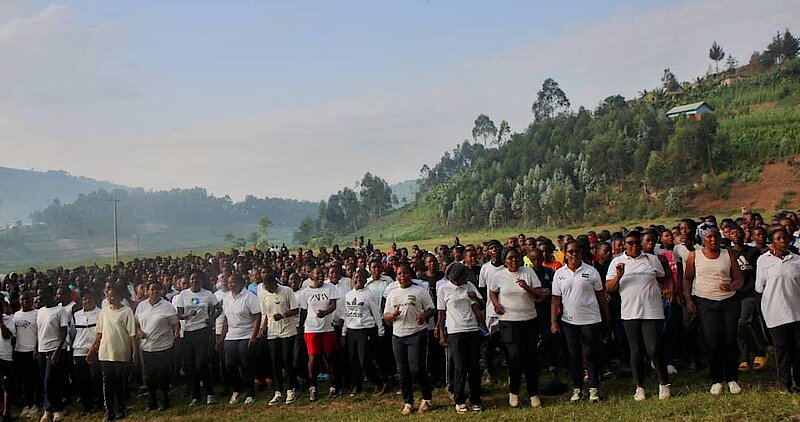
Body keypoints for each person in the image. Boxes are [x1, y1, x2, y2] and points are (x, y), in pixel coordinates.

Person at [605, 230, 671, 401]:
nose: (634, 245)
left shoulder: (651, 259)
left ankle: (664, 383)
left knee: (654, 349)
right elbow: (609, 288)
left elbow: (663, 277)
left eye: (636, 242)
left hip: (652, 311)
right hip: (630, 312)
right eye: (630, 243)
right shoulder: (617, 262)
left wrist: (667, 289)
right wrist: (619, 275)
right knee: (636, 351)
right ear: (624, 245)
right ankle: (639, 386)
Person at [684, 228, 744, 395]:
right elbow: (687, 279)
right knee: (712, 341)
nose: (713, 240)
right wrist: (688, 299)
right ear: (703, 239)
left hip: (728, 301)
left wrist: (731, 286)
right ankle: (717, 379)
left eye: (716, 236)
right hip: (706, 302)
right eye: (709, 237)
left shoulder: (728, 254)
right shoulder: (695, 256)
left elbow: (739, 279)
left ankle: (732, 379)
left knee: (730, 340)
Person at [489, 248, 549, 408]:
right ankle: (514, 392)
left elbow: (539, 294)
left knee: (531, 357)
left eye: (516, 257)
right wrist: (496, 304)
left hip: (529, 320)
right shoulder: (498, 275)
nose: (514, 260)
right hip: (509, 322)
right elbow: (492, 292)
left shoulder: (528, 272)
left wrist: (526, 287)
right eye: (510, 258)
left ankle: (533, 393)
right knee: (514, 357)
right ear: (504, 261)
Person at [551, 240, 609, 403]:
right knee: (574, 355)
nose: (574, 254)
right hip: (569, 322)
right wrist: (553, 321)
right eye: (570, 251)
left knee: (590, 354)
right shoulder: (559, 274)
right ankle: (577, 389)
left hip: (590, 320)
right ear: (565, 254)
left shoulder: (591, 271)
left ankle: (593, 389)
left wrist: (607, 317)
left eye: (577, 251)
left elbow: (601, 296)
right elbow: (555, 300)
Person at [384, 263, 435, 415]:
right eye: (399, 274)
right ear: (396, 276)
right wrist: (392, 316)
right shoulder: (392, 293)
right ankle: (408, 401)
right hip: (398, 335)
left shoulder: (420, 291)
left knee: (417, 368)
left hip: (417, 333)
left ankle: (426, 397)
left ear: (411, 274)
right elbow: (385, 316)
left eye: (405, 273)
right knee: (402, 371)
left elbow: (431, 309)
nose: (403, 276)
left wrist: (423, 316)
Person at [756, 227, 800, 392]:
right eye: (779, 239)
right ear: (771, 242)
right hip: (775, 312)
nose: (783, 241)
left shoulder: (796, 260)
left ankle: (798, 382)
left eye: (785, 238)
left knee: (797, 349)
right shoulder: (763, 260)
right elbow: (759, 287)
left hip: (796, 312)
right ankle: (784, 384)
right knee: (782, 349)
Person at [437, 262, 484, 414]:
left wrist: (475, 298)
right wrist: (441, 334)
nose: (465, 280)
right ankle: (459, 400)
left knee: (474, 367)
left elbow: (482, 304)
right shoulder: (443, 289)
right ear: (455, 278)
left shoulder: (469, 286)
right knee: (460, 367)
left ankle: (475, 399)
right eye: (463, 277)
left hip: (472, 329)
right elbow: (441, 313)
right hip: (455, 331)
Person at [87, 283, 138, 421]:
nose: (110, 299)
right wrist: (92, 349)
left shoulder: (127, 311)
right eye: (108, 296)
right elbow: (99, 332)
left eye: (113, 296)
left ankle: (121, 407)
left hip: (121, 352)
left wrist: (134, 352)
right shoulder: (104, 312)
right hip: (105, 352)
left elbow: (132, 334)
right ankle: (109, 410)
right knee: (107, 382)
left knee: (119, 381)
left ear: (120, 297)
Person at [174, 270, 221, 406]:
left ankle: (210, 393)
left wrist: (212, 319)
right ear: (189, 281)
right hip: (188, 333)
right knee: (191, 365)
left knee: (202, 363)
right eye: (192, 279)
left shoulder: (208, 294)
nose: (194, 281)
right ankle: (196, 396)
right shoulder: (183, 295)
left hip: (203, 331)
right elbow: (179, 315)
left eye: (197, 279)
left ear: (201, 280)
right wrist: (187, 315)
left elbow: (219, 308)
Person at [216, 273, 261, 405]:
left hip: (246, 334)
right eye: (229, 282)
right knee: (230, 364)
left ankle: (250, 391)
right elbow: (226, 320)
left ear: (241, 283)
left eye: (234, 282)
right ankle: (237, 389)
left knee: (246, 364)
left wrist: (254, 335)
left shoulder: (249, 296)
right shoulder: (227, 299)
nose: (231, 285)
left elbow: (257, 317)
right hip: (231, 335)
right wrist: (221, 339)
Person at [296, 267, 340, 401]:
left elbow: (333, 305)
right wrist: (301, 327)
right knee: (313, 358)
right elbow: (304, 311)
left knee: (329, 357)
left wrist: (325, 313)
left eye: (322, 273)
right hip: (311, 328)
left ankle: (334, 385)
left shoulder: (330, 288)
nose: (321, 276)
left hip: (327, 328)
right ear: (311, 276)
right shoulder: (305, 292)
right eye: (318, 274)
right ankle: (313, 386)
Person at [135, 282, 180, 411]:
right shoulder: (141, 306)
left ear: (161, 291)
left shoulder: (167, 306)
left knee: (162, 375)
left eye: (157, 290)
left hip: (163, 346)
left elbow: (175, 323)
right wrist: (139, 331)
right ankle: (152, 401)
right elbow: (136, 323)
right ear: (147, 291)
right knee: (149, 376)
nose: (154, 292)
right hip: (146, 347)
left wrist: (176, 333)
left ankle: (164, 399)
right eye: (151, 289)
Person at [342, 269, 387, 396]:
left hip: (365, 330)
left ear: (365, 280)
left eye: (361, 278)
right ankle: (358, 385)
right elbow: (347, 315)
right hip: (351, 330)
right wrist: (343, 333)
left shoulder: (368, 294)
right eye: (356, 277)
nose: (358, 280)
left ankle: (379, 383)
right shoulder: (348, 294)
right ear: (352, 279)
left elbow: (376, 313)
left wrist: (381, 330)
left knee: (364, 360)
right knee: (353, 360)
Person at [730, 225, 768, 371]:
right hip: (734, 294)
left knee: (744, 323)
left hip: (750, 293)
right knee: (738, 326)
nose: (736, 234)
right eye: (733, 233)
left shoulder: (753, 251)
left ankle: (760, 351)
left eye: (738, 232)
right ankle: (744, 357)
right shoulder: (727, 252)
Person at [258, 273, 299, 406]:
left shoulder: (287, 291)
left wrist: (283, 315)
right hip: (273, 332)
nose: (268, 289)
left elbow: (295, 310)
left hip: (287, 330)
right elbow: (266, 314)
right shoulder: (263, 295)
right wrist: (263, 327)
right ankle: (278, 391)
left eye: (269, 286)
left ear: (274, 283)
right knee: (275, 362)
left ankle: (290, 389)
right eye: (266, 287)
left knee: (287, 360)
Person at [35, 286, 70, 422]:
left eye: (41, 294)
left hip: (55, 349)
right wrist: (36, 348)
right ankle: (48, 409)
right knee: (44, 380)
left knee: (51, 380)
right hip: (42, 349)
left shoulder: (60, 310)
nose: (39, 297)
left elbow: (64, 331)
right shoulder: (40, 311)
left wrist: (58, 350)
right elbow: (39, 331)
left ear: (49, 295)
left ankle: (57, 409)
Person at [73, 291, 103, 414]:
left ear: (94, 299)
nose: (87, 301)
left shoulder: (101, 313)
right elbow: (73, 332)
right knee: (82, 379)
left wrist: (94, 348)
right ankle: (87, 406)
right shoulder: (76, 315)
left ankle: (99, 404)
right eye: (85, 299)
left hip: (95, 350)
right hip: (79, 351)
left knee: (96, 378)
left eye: (89, 298)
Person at [13, 292, 40, 418]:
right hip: (19, 351)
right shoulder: (16, 315)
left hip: (32, 351)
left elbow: (40, 333)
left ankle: (36, 404)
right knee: (25, 380)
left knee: (35, 379)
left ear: (31, 300)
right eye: (22, 300)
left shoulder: (37, 313)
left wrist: (36, 348)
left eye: (27, 299)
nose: (25, 302)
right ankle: (28, 404)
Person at [0, 301, 15, 422]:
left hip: (5, 356)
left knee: (7, 385)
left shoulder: (9, 320)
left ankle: (6, 413)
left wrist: (1, 322)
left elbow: (8, 335)